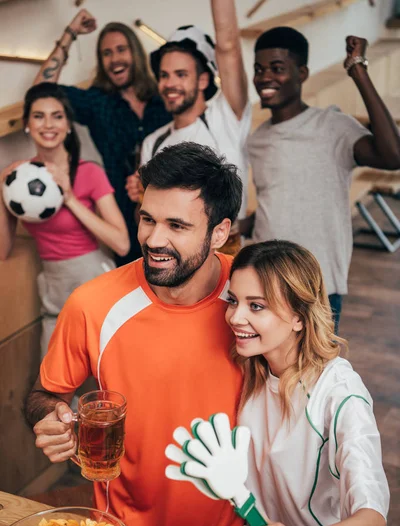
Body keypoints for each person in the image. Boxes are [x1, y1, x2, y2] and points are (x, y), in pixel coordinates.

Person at [25, 142, 244, 526]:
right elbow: (43, 394)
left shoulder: (253, 299)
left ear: (219, 232)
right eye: (147, 219)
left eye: (177, 226)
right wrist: (55, 419)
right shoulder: (92, 303)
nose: (154, 239)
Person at [220, 240, 397, 526]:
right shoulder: (248, 370)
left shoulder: (340, 391)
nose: (236, 317)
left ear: (299, 316)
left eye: (256, 306)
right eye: (233, 301)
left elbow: (373, 523)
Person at [245, 28, 400, 329]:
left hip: (317, 288)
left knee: (314, 375)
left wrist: (358, 70)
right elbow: (278, 202)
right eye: (259, 69)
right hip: (265, 281)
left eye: (277, 68)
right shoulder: (258, 139)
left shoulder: (331, 126)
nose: (265, 77)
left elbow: (393, 156)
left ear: (301, 73)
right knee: (267, 374)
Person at [0, 82, 129, 358]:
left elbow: (121, 244)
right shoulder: (19, 180)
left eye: (57, 116)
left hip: (93, 280)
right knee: (53, 386)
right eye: (39, 116)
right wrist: (1, 191)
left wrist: (69, 198)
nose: (49, 124)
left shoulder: (88, 171)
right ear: (27, 124)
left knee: (103, 382)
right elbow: (3, 251)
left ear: (68, 125)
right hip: (53, 288)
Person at [34, 9, 171, 266]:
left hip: (171, 209)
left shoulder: (163, 97)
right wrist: (70, 33)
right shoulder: (97, 102)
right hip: (123, 219)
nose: (114, 59)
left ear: (135, 53)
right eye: (106, 53)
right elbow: (40, 91)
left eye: (121, 50)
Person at [126, 0, 251, 229]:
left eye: (181, 74)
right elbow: (145, 222)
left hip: (230, 255)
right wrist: (140, 199)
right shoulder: (152, 143)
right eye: (164, 75)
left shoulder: (225, 117)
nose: (169, 83)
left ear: (203, 79)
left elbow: (228, 46)